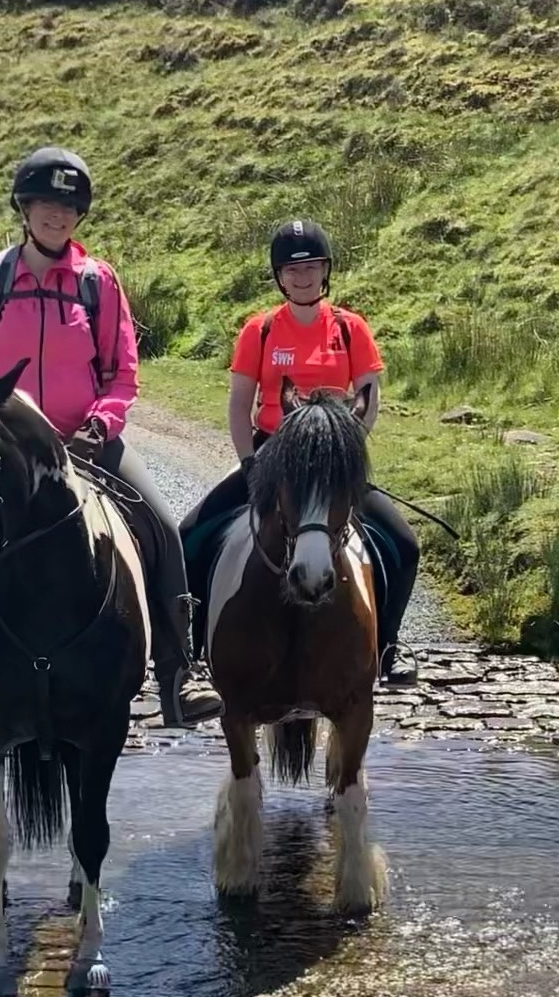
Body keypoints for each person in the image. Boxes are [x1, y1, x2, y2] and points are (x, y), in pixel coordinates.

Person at [0, 145, 221, 725]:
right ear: (24, 208)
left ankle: (180, 673)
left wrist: (100, 426)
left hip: (88, 441)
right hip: (5, 446)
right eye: (47, 203)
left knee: (160, 526)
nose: (58, 214)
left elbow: (121, 372)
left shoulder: (99, 282)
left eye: (69, 206)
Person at [180, 218, 420, 684]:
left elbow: (369, 397)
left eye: (312, 267)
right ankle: (192, 649)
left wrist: (343, 451)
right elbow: (238, 405)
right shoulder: (261, 330)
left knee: (404, 546)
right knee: (190, 534)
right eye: (292, 270)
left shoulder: (351, 329)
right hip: (273, 453)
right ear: (278, 277)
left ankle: (389, 647)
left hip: (334, 456)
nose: (303, 277)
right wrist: (251, 463)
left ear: (326, 270)